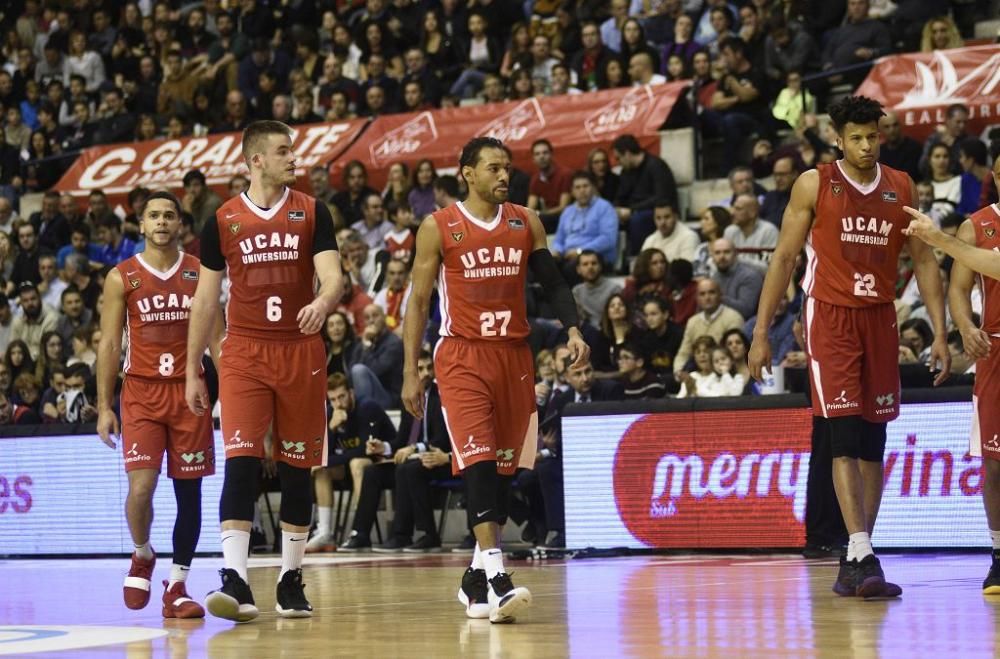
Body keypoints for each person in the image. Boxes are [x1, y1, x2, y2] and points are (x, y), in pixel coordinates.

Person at [748, 96, 949, 600]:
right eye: (856, 137)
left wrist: (941, 332)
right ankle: (859, 548)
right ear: (837, 137)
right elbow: (786, 257)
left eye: (872, 136)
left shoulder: (901, 185)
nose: (865, 146)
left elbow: (924, 262)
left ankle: (858, 554)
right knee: (842, 433)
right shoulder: (815, 182)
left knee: (873, 439)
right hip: (830, 315)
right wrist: (760, 330)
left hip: (881, 316)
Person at [401, 136, 588, 624]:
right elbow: (418, 302)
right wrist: (410, 369)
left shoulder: (526, 221)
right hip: (461, 355)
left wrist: (572, 328)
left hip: (514, 357)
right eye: (493, 168)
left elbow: (552, 282)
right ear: (468, 173)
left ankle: (474, 577)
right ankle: (499, 575)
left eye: (508, 168)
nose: (504, 176)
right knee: (480, 462)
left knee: (504, 473)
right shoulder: (438, 227)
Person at [185, 120, 343, 622]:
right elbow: (206, 300)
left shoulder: (314, 211)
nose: (292, 157)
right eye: (282, 150)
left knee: (299, 467)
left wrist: (322, 301)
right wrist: (194, 369)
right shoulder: (223, 220)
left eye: (291, 150)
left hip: (301, 350)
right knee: (242, 461)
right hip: (246, 352)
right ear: (256, 160)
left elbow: (335, 277)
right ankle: (235, 578)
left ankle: (290, 578)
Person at [96, 191, 219, 620]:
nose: (162, 222)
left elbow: (218, 339)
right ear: (142, 225)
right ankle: (142, 553)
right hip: (142, 393)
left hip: (190, 394)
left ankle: (179, 585)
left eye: (169, 215)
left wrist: (235, 395)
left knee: (190, 493)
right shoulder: (121, 277)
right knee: (141, 489)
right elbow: (111, 343)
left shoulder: (201, 273)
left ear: (180, 224)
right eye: (154, 216)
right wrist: (103, 406)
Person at [900, 154, 1000, 592]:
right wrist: (965, 325)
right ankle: (999, 554)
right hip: (996, 349)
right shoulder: (978, 224)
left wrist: (938, 237)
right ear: (996, 174)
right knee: (995, 463)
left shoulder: (961, 235)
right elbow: (960, 288)